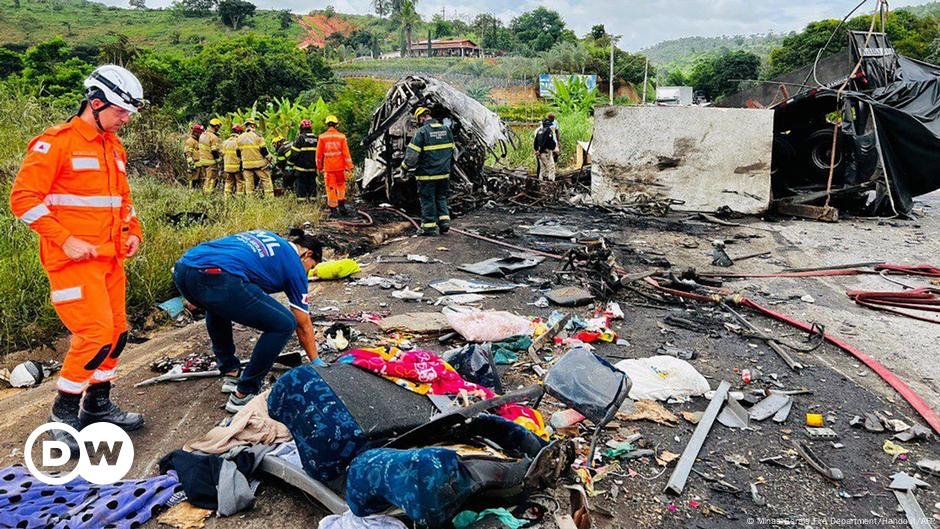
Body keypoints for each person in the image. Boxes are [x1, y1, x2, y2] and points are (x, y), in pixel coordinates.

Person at [9, 64, 147, 449]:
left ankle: (98, 406)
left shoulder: (112, 146)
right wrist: (65, 238)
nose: (125, 119)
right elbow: (23, 200)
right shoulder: (56, 143)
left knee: (117, 333)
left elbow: (122, 200)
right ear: (96, 102)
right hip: (72, 262)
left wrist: (132, 231)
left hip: (110, 259)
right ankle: (63, 414)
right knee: (96, 334)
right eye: (120, 112)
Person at [173, 229, 324, 413]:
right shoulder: (295, 265)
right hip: (218, 276)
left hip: (184, 268)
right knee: (284, 324)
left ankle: (231, 372)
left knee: (217, 304)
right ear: (307, 254)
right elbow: (303, 323)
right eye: (312, 266)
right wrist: (316, 361)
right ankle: (244, 394)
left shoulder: (267, 236)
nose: (308, 271)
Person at [401, 107, 455, 236]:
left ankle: (429, 227)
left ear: (421, 118)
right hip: (444, 174)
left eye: (418, 120)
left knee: (428, 199)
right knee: (441, 197)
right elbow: (454, 152)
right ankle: (444, 223)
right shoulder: (446, 130)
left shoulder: (422, 132)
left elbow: (412, 156)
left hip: (427, 175)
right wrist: (447, 167)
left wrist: (404, 168)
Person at [316, 115, 354, 216]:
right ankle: (341, 206)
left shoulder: (322, 137)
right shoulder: (341, 137)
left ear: (327, 124)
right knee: (341, 186)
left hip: (329, 168)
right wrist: (350, 166)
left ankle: (333, 210)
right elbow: (346, 153)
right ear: (336, 124)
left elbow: (318, 155)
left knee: (330, 188)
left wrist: (319, 167)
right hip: (340, 167)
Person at [237, 119, 274, 197]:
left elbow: (238, 153)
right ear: (253, 126)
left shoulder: (239, 138)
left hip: (246, 165)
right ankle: (270, 199)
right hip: (259, 164)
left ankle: (250, 200)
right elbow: (264, 151)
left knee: (249, 182)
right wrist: (269, 158)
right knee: (266, 180)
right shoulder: (258, 136)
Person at [286, 119, 318, 202]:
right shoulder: (316, 138)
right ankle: (312, 201)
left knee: (301, 185)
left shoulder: (300, 138)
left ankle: (302, 202)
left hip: (301, 169)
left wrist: (289, 165)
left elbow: (294, 153)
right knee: (312, 184)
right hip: (313, 168)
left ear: (301, 128)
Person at [197, 118, 222, 192]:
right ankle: (208, 194)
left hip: (202, 161)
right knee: (211, 179)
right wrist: (218, 159)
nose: (219, 129)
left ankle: (204, 191)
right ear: (216, 126)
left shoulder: (202, 135)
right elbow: (214, 150)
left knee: (205, 178)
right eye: (219, 127)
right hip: (210, 162)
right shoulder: (213, 137)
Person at [220, 124, 244, 198]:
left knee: (229, 182)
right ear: (239, 132)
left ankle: (227, 198)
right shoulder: (239, 141)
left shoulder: (225, 142)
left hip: (227, 167)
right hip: (237, 167)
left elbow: (222, 154)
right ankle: (240, 199)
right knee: (240, 182)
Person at [534, 117, 557, 182]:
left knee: (543, 168)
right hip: (546, 151)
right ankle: (550, 181)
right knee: (551, 167)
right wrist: (540, 151)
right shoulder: (548, 131)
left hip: (540, 152)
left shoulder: (539, 131)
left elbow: (535, 142)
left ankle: (541, 181)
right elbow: (546, 142)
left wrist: (537, 151)